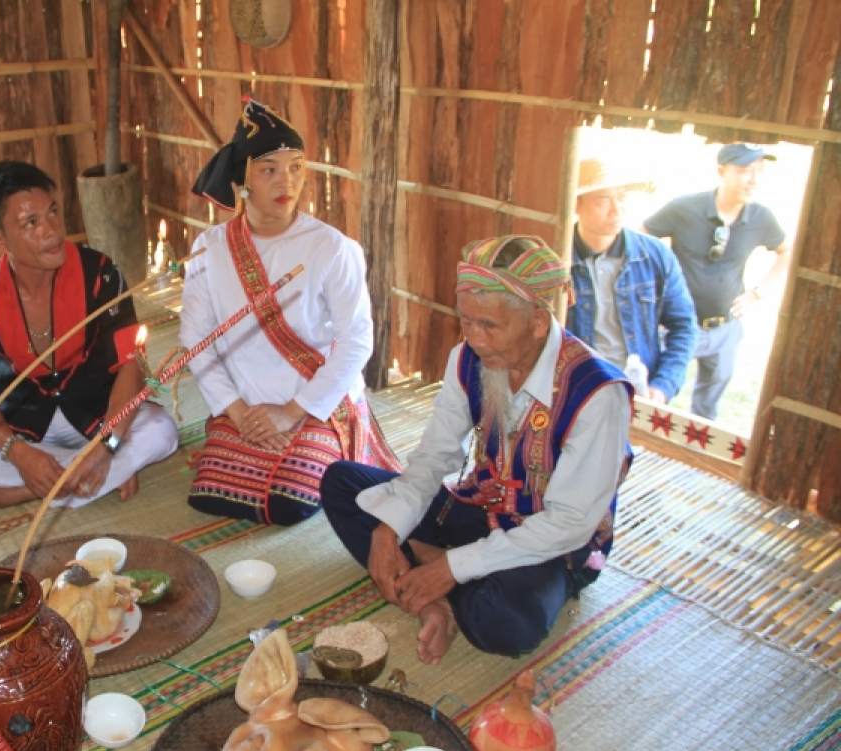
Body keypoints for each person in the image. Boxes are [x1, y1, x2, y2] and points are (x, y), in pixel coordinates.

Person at [320, 236, 633, 666]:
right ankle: (437, 597)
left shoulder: (597, 394)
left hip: (548, 545)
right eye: (466, 320)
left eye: (489, 325)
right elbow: (435, 456)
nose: (475, 338)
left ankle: (441, 578)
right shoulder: (466, 357)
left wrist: (450, 567)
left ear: (538, 321)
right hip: (479, 509)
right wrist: (388, 529)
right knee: (342, 483)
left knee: (508, 622)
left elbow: (570, 524)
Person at [180, 98, 399, 526]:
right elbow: (195, 340)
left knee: (287, 501)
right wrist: (239, 412)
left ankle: (322, 446)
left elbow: (357, 341)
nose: (288, 181)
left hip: (314, 402)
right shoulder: (209, 248)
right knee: (211, 494)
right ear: (243, 181)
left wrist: (291, 412)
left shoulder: (331, 248)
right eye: (269, 170)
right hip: (246, 406)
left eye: (296, 167)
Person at [0, 161, 178, 518]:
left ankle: (18, 493)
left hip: (97, 419)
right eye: (30, 223)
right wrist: (19, 454)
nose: (51, 230)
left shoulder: (100, 274)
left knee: (162, 432)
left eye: (52, 212)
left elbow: (131, 368)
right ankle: (95, 479)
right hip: (23, 427)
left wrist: (106, 447)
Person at [642, 143, 790, 420]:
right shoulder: (685, 208)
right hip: (676, 326)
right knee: (656, 397)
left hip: (725, 328)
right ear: (722, 172)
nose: (753, 179)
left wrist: (758, 292)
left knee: (706, 412)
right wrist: (652, 295)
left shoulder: (761, 217)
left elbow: (787, 252)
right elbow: (639, 240)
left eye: (759, 171)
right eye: (745, 170)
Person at [567, 157, 697, 403]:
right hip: (574, 392)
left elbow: (684, 326)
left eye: (622, 197)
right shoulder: (556, 259)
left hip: (636, 391)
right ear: (576, 204)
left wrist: (663, 386)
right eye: (603, 200)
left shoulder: (655, 255)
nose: (617, 210)